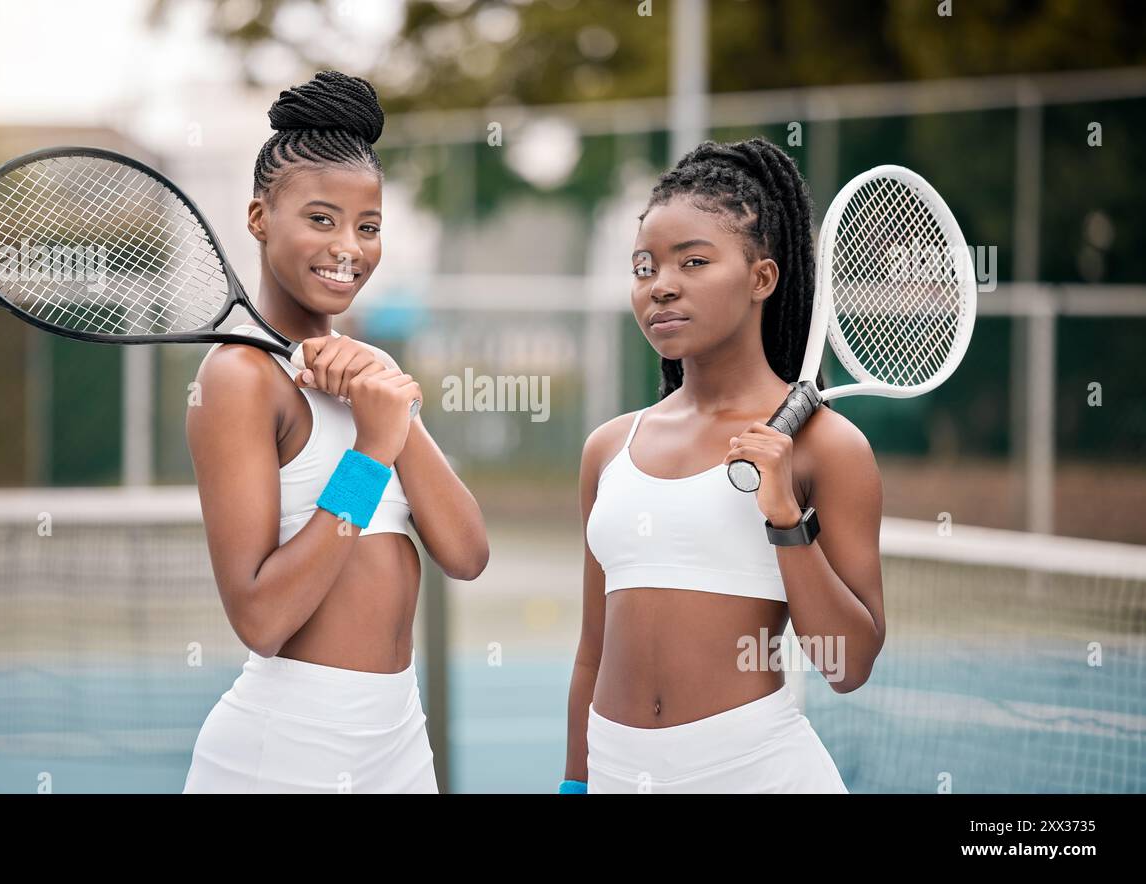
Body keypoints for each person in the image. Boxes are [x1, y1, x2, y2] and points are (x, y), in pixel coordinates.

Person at [182, 70, 488, 794]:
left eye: (369, 225)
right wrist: (372, 452)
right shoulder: (237, 379)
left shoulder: (372, 368)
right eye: (320, 219)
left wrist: (393, 416)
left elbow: (468, 553)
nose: (348, 246)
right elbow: (261, 616)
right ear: (259, 220)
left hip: (398, 744)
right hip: (288, 750)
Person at [562, 137, 884, 794]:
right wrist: (574, 783)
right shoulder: (608, 449)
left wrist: (786, 521)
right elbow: (593, 648)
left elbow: (847, 664)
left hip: (754, 772)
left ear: (761, 278)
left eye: (694, 261)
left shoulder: (828, 446)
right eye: (644, 267)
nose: (662, 286)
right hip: (619, 774)